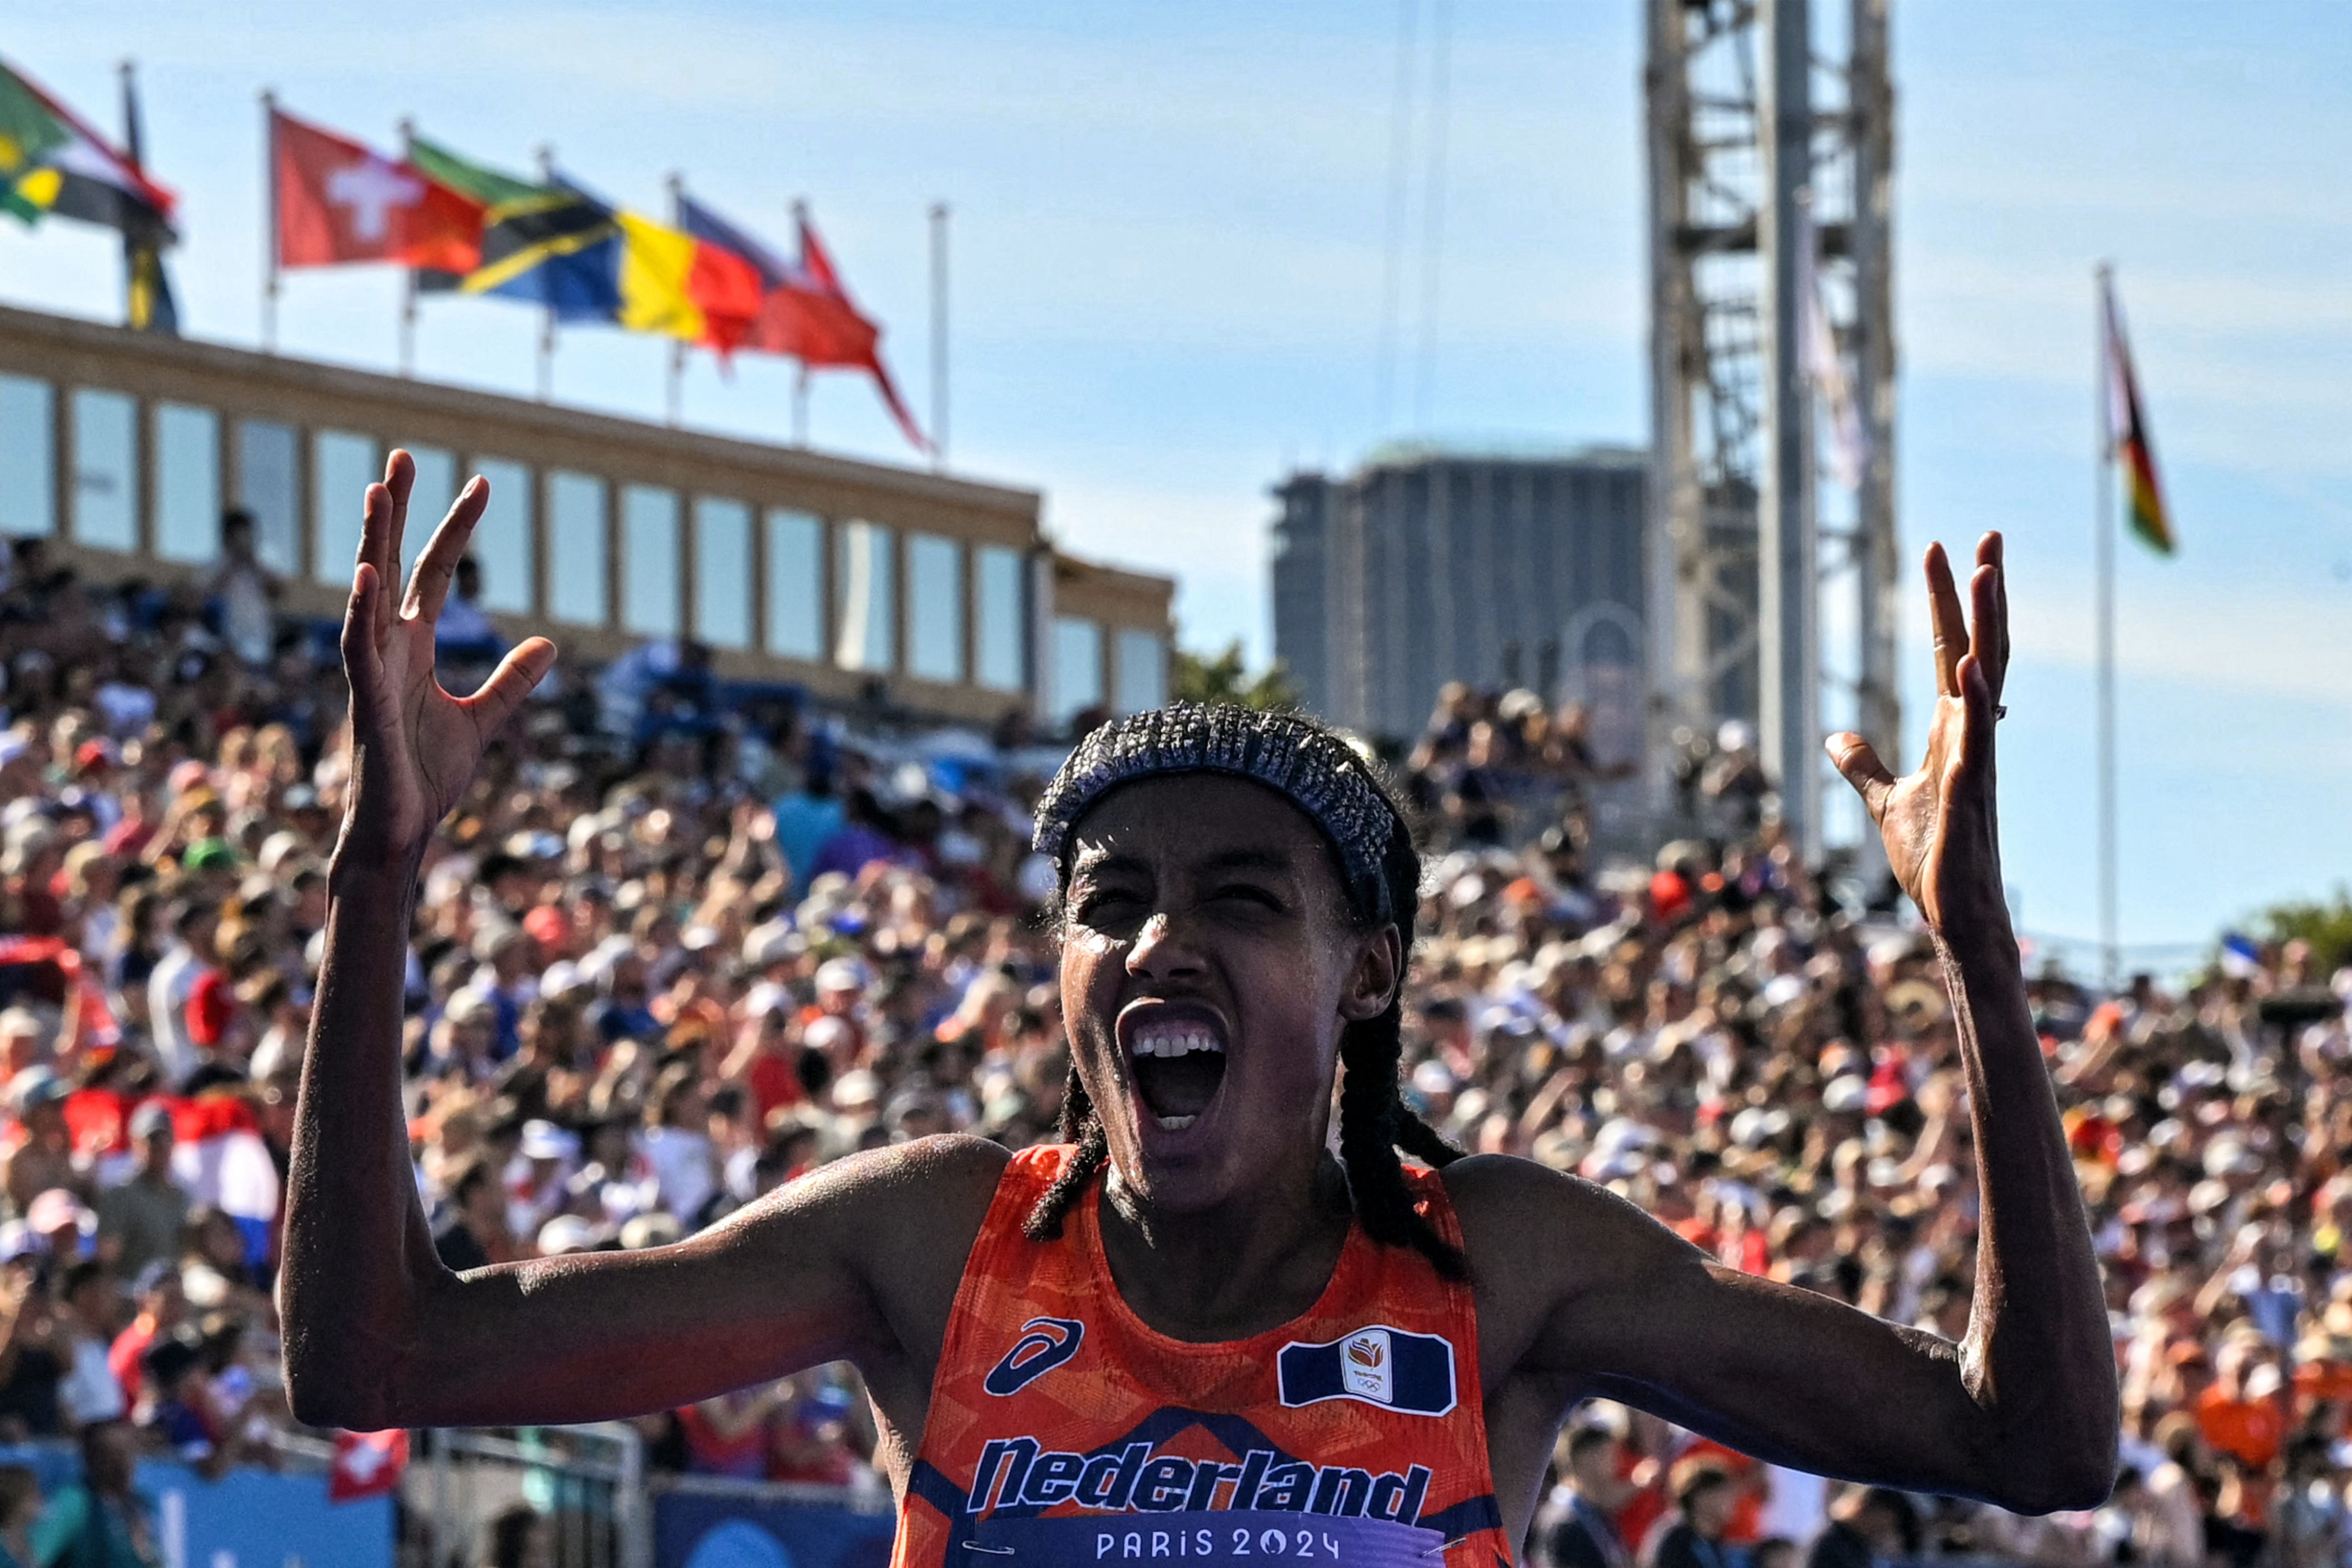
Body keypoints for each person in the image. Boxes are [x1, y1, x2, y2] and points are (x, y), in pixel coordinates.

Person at [281, 454, 2116, 1565]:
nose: (1161, 940)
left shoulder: (1502, 1267)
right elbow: (379, 1360)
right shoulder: (933, 1244)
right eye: (1110, 901)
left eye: (1241, 898)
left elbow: (2028, 1446)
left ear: (1365, 971)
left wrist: (1973, 953)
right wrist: (376, 871)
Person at [27, 1419, 156, 1567]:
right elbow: (31, 1557)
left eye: (128, 1453)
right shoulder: (73, 1502)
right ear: (92, 1459)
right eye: (114, 1455)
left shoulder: (139, 1505)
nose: (124, 1464)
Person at [1531, 1425, 1634, 1568]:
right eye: (1607, 1455)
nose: (1616, 1463)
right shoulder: (1563, 1522)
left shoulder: (1597, 1514)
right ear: (1586, 1459)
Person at [1639, 1459, 1737, 1568]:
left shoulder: (1711, 1540)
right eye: (1723, 1493)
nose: (1732, 1501)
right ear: (1700, 1497)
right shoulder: (1674, 1538)